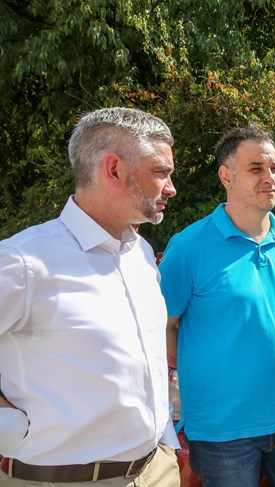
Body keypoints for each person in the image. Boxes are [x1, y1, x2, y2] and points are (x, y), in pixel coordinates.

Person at [0, 107, 180, 486]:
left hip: (156, 470)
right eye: (160, 172)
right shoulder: (24, 262)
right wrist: (9, 425)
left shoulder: (141, 253)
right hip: (61, 479)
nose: (171, 188)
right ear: (113, 169)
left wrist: (165, 447)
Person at [158, 127, 275, 487]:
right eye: (256, 169)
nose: (270, 178)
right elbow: (162, 328)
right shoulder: (188, 248)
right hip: (221, 432)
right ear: (226, 176)